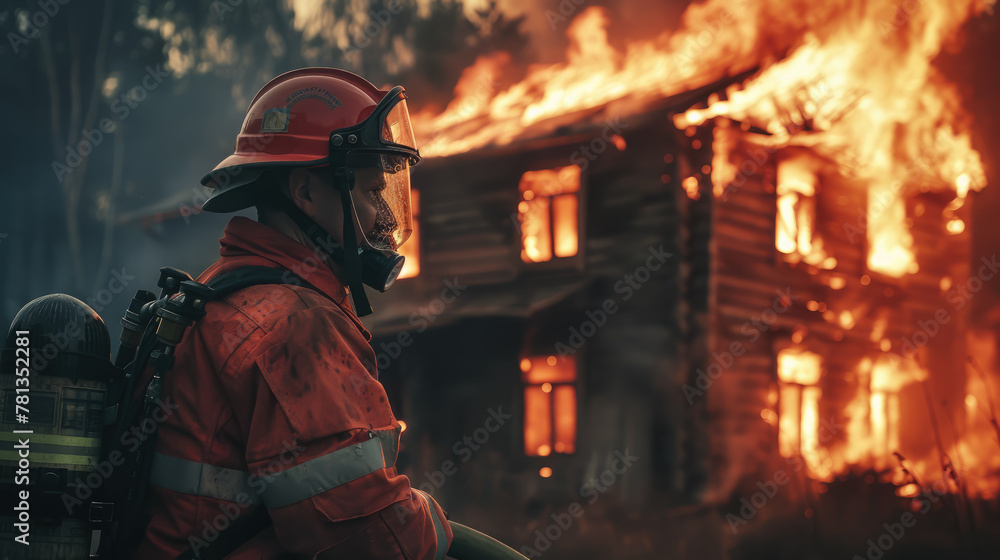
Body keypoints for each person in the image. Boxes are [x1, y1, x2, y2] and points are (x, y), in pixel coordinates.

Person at [132, 68, 451, 559]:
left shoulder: (221, 290)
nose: (385, 218)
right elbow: (370, 542)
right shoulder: (294, 325)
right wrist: (431, 519)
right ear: (304, 191)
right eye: (370, 192)